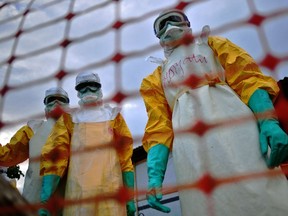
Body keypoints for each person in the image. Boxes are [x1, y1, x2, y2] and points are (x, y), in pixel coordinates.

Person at [140, 9, 288, 216]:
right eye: (161, 26)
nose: (168, 27)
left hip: (236, 126)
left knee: (260, 190)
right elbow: (158, 127)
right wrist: (154, 176)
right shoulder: (154, 79)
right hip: (189, 146)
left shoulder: (212, 45)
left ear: (187, 23)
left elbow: (247, 79)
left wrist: (268, 121)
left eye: (174, 20)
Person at [39, 71, 136, 216]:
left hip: (111, 197)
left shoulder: (114, 116)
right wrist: (45, 200)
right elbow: (56, 158)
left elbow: (125, 159)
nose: (88, 91)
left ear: (99, 87)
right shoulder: (69, 119)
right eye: (83, 87)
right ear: (77, 92)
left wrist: (129, 198)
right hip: (78, 195)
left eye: (92, 86)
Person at [0, 87, 70, 203]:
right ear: (45, 106)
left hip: (70, 201)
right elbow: (7, 155)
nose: (56, 103)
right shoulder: (32, 130)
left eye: (61, 100)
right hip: (34, 200)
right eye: (51, 99)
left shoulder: (79, 129)